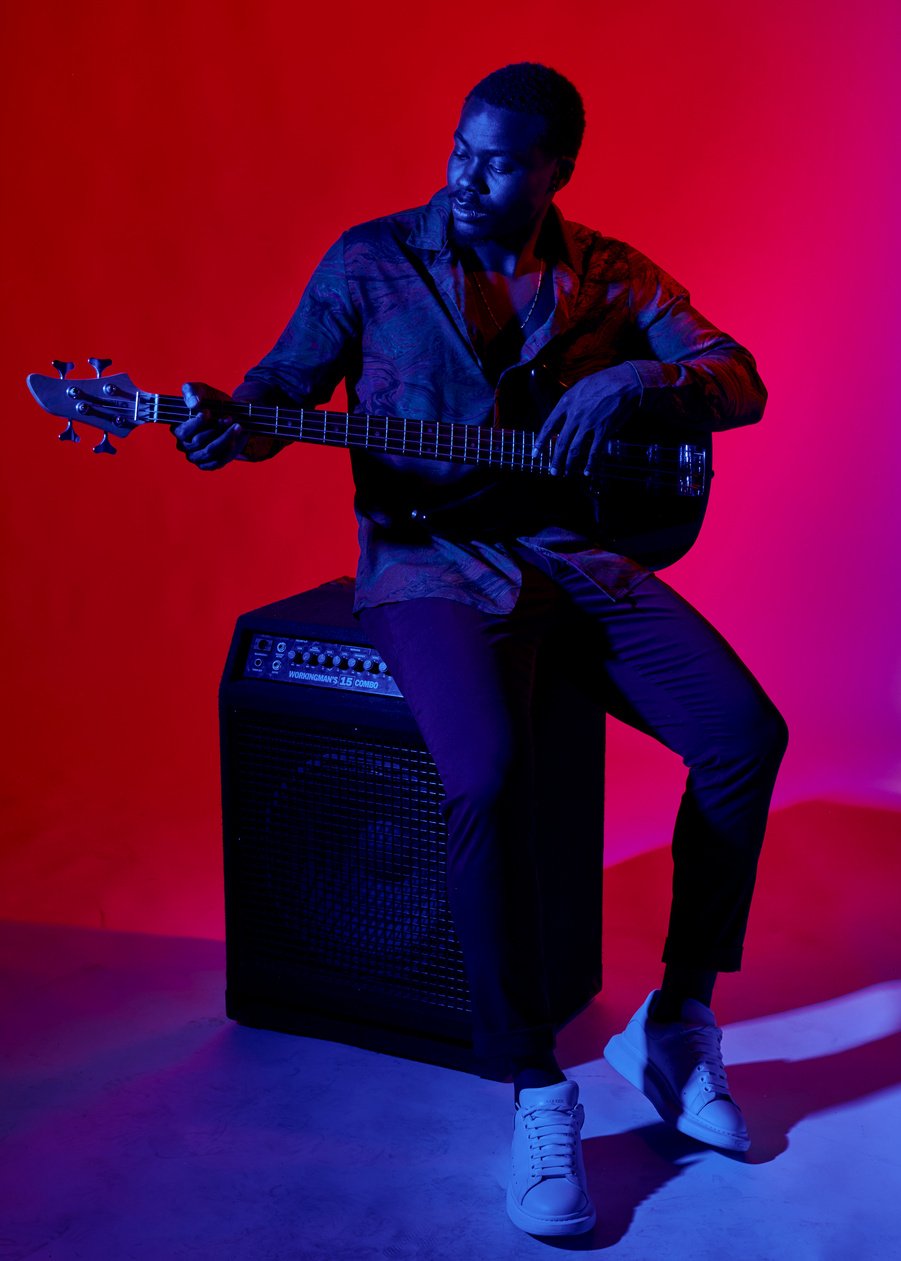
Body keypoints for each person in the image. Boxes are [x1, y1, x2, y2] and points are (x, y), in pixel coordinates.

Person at [174, 63, 788, 1238]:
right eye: (460, 148)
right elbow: (274, 395)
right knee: (488, 776)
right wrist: (217, 425)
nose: (465, 173)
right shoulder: (371, 260)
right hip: (426, 570)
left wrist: (635, 378)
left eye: (498, 159)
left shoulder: (607, 272)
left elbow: (739, 379)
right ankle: (532, 1084)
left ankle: (675, 1021)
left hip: (574, 557)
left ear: (555, 169)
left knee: (741, 735)